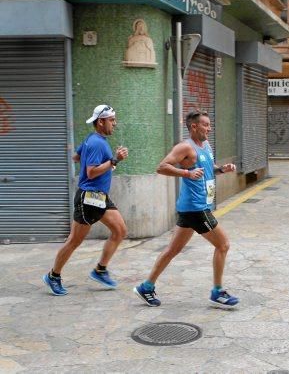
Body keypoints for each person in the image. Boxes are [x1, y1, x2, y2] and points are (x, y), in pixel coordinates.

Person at [134, 110, 239, 308]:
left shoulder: (205, 145)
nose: (209, 128)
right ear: (194, 126)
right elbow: (161, 167)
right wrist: (186, 173)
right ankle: (217, 292)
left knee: (173, 249)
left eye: (209, 124)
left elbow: (207, 169)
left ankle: (146, 287)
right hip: (196, 208)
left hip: (193, 207)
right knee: (223, 245)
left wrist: (221, 169)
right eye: (206, 125)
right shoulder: (185, 147)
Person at [43, 105, 129, 295]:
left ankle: (100, 270)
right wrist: (114, 160)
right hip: (88, 198)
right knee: (74, 240)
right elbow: (90, 173)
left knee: (120, 230)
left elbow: (76, 156)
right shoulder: (97, 143)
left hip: (100, 197)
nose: (114, 124)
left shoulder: (93, 140)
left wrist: (97, 159)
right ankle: (53, 276)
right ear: (101, 121)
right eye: (111, 120)